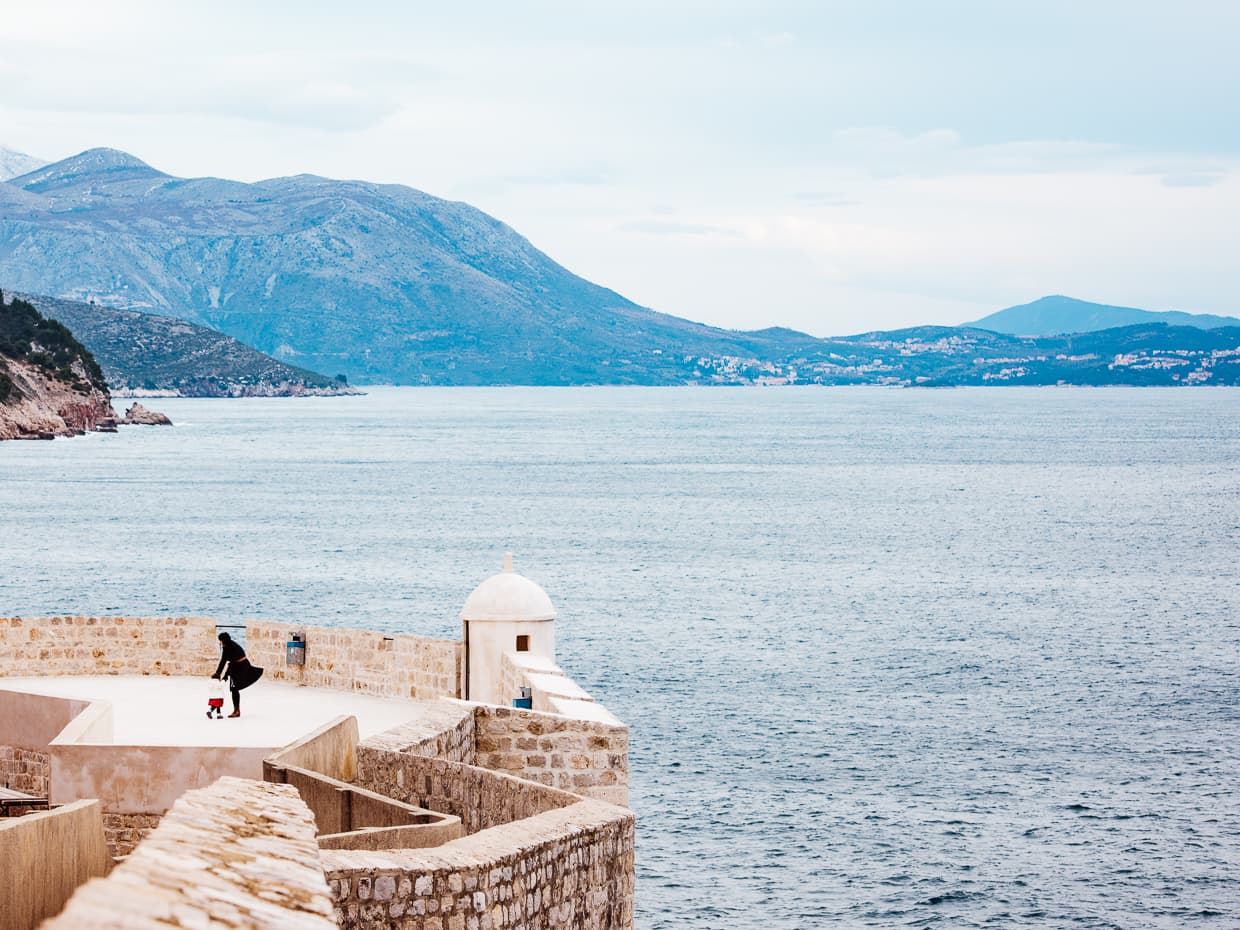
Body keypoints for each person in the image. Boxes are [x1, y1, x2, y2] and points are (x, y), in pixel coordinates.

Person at [211, 632, 264, 718]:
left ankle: (237, 711)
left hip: (241, 667)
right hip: (236, 666)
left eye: (220, 641)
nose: (220, 643)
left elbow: (232, 663)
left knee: (234, 688)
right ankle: (236, 710)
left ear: (224, 641)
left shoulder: (233, 647)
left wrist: (225, 676)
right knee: (234, 688)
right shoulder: (226, 646)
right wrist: (218, 673)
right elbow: (223, 661)